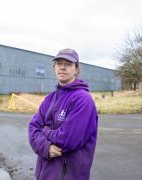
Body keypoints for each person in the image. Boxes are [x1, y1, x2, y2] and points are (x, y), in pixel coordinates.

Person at [28, 48, 98, 180]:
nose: (62, 67)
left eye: (68, 64)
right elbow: (32, 128)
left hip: (68, 175)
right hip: (45, 173)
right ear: (54, 67)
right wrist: (45, 147)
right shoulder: (50, 98)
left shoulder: (82, 99)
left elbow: (67, 139)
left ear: (76, 69)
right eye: (59, 63)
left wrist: (45, 131)